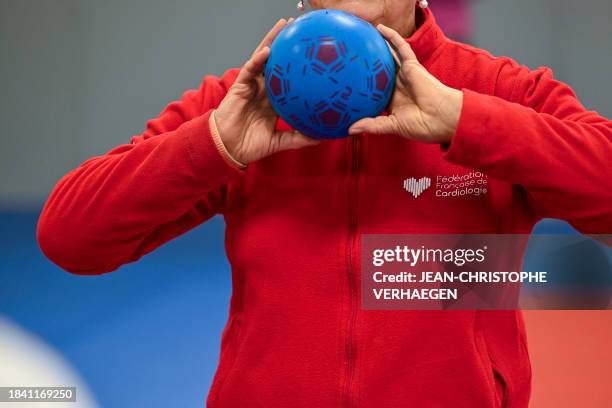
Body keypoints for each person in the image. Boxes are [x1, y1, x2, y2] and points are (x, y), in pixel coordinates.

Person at [37, 0, 612, 406]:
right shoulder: (247, 100)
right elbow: (69, 236)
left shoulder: (494, 91)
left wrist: (465, 121)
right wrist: (215, 145)